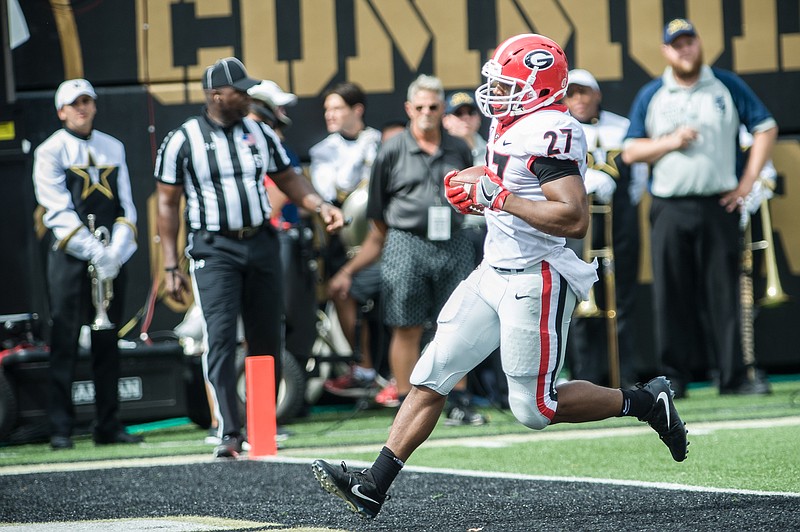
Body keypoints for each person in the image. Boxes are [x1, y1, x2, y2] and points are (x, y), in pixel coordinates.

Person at [311, 34, 688, 520]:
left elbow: (573, 217)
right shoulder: (511, 123)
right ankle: (373, 485)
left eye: (509, 84)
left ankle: (645, 402)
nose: (497, 92)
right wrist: (475, 182)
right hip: (492, 270)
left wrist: (498, 196)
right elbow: (507, 179)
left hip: (537, 276)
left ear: (540, 87)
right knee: (431, 373)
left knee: (534, 410)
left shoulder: (553, 127)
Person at [155, 57, 344, 458]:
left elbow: (287, 176)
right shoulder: (183, 139)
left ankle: (262, 426)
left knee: (266, 336)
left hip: (259, 242)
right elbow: (167, 205)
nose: (247, 96)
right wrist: (170, 263)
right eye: (240, 90)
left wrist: (319, 204)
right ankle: (228, 430)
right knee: (220, 337)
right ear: (216, 95)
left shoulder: (258, 132)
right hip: (213, 246)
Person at [622, 19, 778, 397]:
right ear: (666, 51)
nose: (684, 50)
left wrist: (747, 182)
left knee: (724, 293)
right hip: (669, 207)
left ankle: (733, 377)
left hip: (718, 203)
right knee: (671, 296)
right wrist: (671, 142)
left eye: (689, 42)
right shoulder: (653, 93)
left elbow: (766, 127)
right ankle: (674, 379)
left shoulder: (725, 85)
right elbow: (630, 150)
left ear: (699, 44)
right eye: (676, 45)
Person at [329, 74, 484, 425]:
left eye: (433, 106)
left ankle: (459, 399)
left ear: (442, 108)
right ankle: (404, 401)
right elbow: (377, 210)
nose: (427, 113)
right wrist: (396, 235)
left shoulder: (458, 146)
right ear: (408, 109)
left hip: (453, 241)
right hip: (405, 240)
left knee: (458, 325)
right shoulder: (392, 148)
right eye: (420, 107)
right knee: (406, 325)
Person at [32, 78, 143, 450]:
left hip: (111, 257)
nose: (82, 108)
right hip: (70, 256)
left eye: (87, 101)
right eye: (74, 103)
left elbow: (127, 205)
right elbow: (56, 210)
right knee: (63, 339)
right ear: (61, 111)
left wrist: (116, 252)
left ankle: (108, 423)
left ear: (94, 106)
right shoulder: (51, 151)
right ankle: (61, 427)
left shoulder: (114, 147)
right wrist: (93, 250)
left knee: (107, 338)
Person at [563, 69, 649, 388]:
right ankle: (584, 378)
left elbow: (639, 179)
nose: (578, 99)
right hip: (579, 227)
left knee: (622, 298)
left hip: (620, 220)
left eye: (584, 92)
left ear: (597, 94)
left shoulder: (622, 127)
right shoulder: (560, 130)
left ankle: (624, 376)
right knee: (581, 301)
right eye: (571, 93)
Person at [309, 82, 383, 397]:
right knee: (342, 290)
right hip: (346, 242)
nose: (330, 115)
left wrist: (370, 151)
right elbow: (333, 189)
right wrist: (361, 158)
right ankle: (363, 369)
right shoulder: (323, 150)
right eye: (327, 109)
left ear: (357, 110)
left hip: (384, 238)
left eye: (337, 108)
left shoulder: (378, 142)